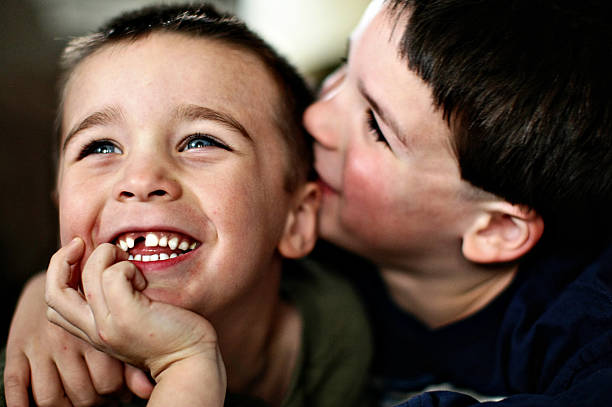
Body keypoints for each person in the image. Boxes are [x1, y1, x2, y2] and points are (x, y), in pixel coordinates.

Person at [4, 0, 612, 406]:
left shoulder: (586, 332)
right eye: (344, 70)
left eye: (375, 125)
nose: (316, 116)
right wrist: (47, 292)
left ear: (496, 229)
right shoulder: (305, 245)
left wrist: (186, 370)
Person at [0, 3, 373, 407]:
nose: (140, 180)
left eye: (201, 141)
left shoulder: (355, 322)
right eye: (101, 146)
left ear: (296, 220)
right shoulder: (42, 381)